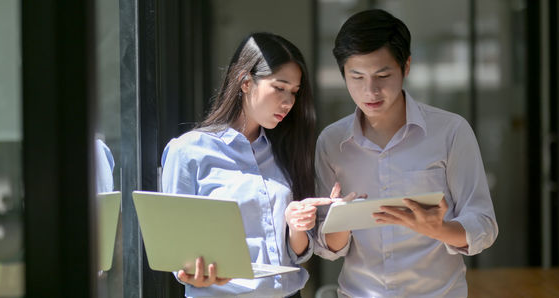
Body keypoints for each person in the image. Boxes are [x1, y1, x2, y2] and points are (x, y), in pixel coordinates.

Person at [313, 9, 498, 297]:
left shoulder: (450, 131)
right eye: (357, 77)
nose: (370, 91)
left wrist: (439, 229)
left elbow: (483, 225)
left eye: (383, 75)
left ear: (406, 66)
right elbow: (328, 247)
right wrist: (342, 222)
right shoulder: (331, 142)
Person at [161, 32, 331, 298]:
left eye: (294, 92)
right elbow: (175, 249)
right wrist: (194, 273)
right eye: (279, 87)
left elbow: (298, 253)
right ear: (246, 82)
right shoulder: (189, 151)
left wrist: (298, 226)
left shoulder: (285, 151)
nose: (288, 102)